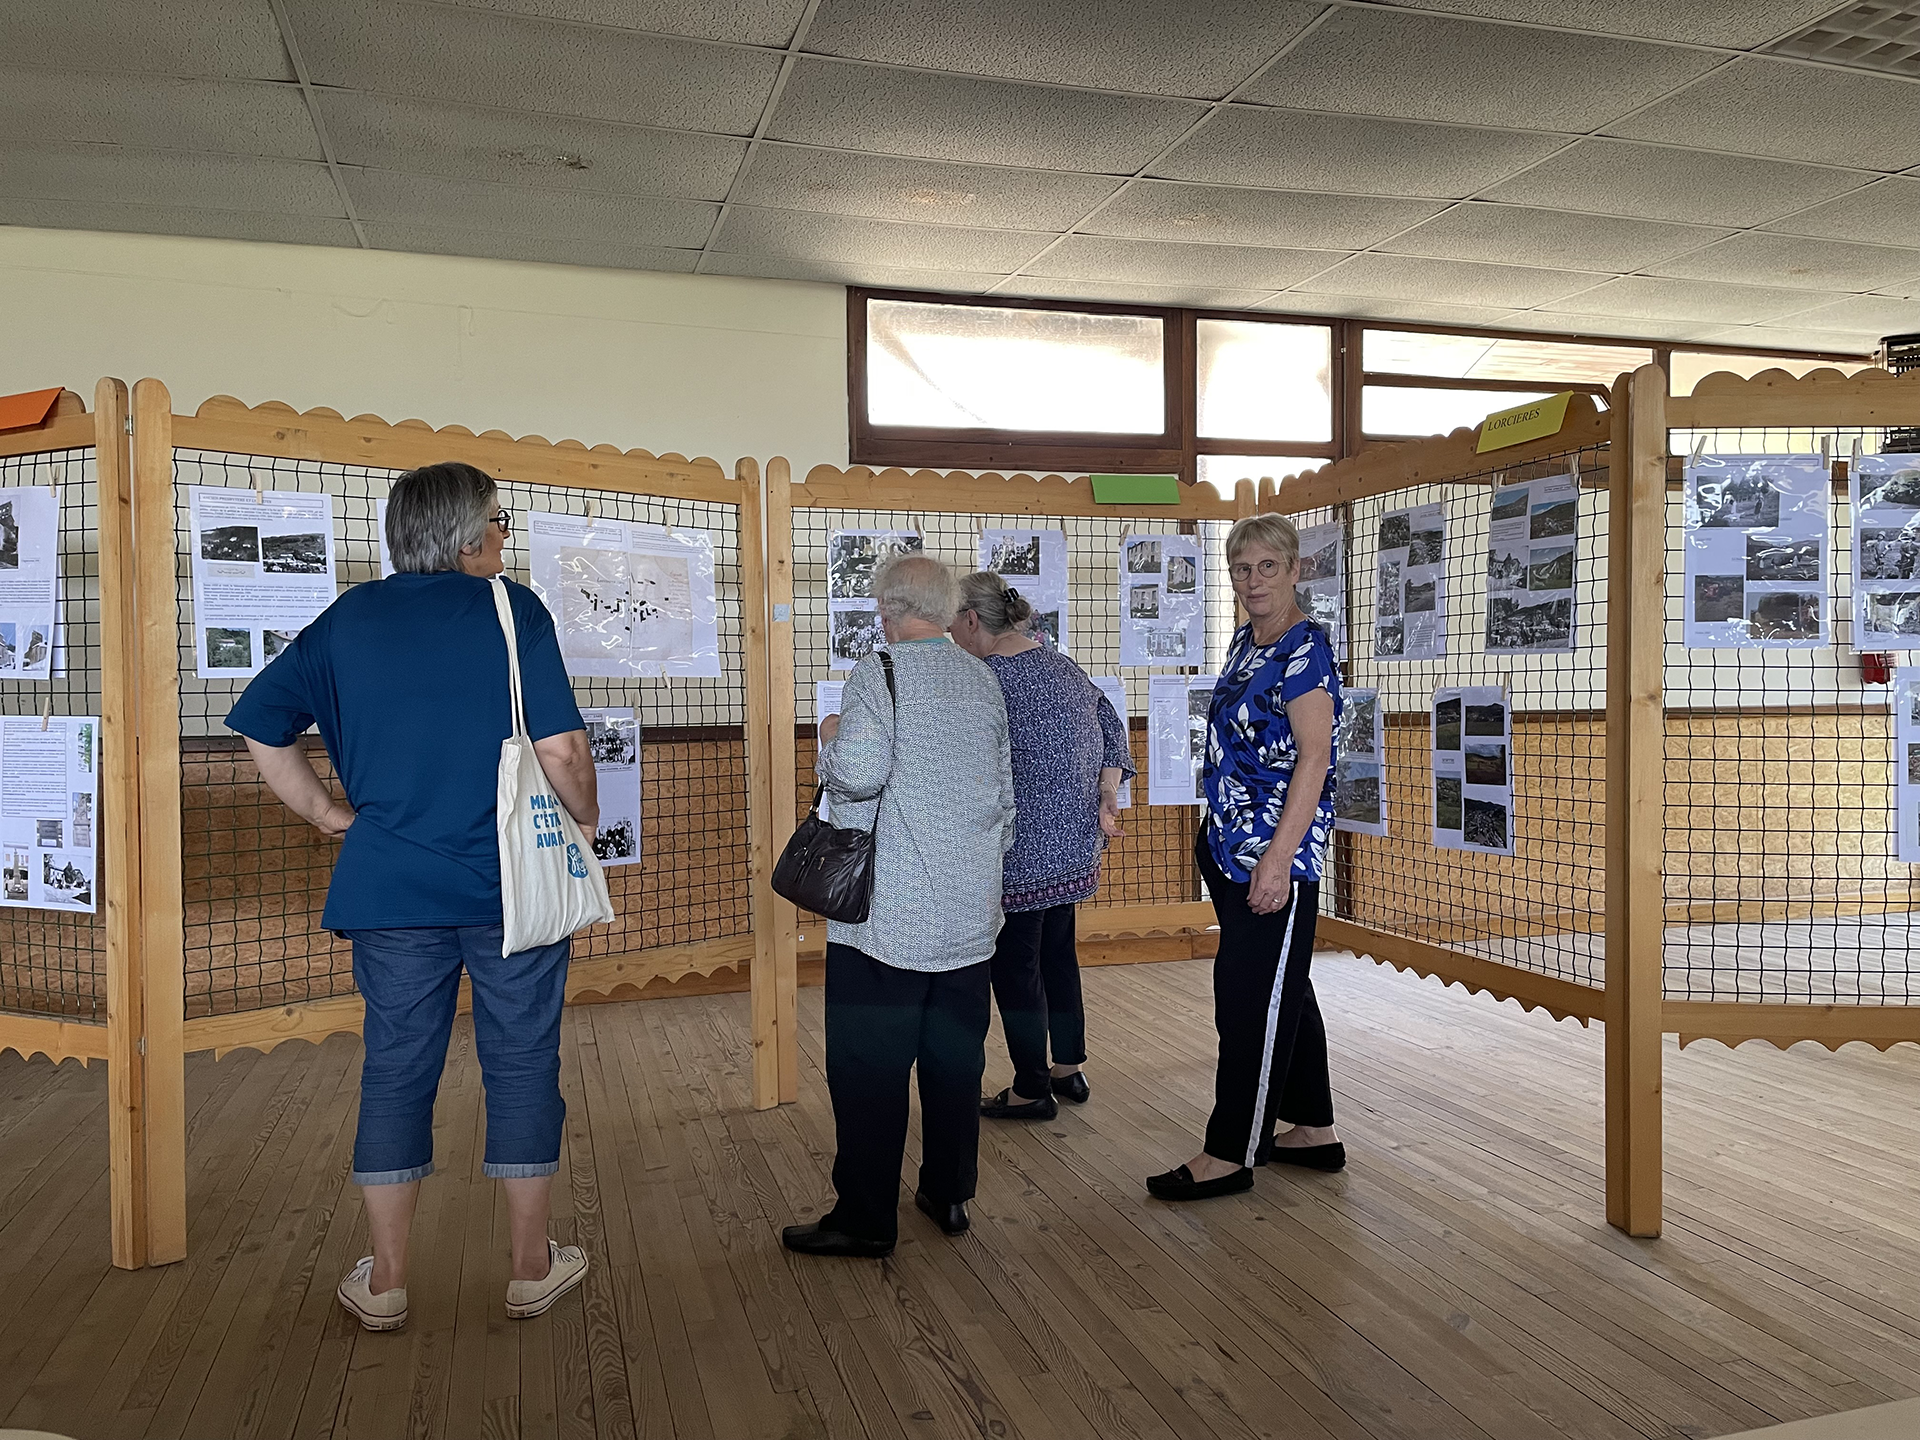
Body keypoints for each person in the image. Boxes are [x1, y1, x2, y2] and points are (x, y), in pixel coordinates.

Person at [226, 461, 599, 1328]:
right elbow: (563, 754)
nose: (506, 537)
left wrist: (327, 812)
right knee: (522, 1061)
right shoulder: (514, 609)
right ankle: (529, 1266)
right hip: (514, 887)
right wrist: (584, 821)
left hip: (389, 887)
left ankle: (387, 1280)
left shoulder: (349, 618)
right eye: (501, 522)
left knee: (396, 1067)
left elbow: (258, 725)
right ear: (472, 536)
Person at [782, 554, 1016, 1258]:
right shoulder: (982, 678)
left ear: (886, 607)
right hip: (971, 916)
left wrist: (827, 740)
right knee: (955, 1061)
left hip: (889, 918)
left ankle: (864, 1218)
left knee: (869, 1068)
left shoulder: (878, 672)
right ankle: (948, 1194)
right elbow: (1004, 799)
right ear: (947, 611)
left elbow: (855, 775)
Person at [1147, 512, 1345, 1203]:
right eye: (1241, 568)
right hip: (1229, 848)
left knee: (1245, 1000)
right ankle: (1314, 1128)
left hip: (1271, 855)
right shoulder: (1248, 640)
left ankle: (1230, 1151)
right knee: (1282, 986)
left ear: (1296, 571)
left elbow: (1314, 759)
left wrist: (1278, 860)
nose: (1253, 580)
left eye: (1268, 566)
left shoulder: (1304, 649)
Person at [950, 571, 1132, 1120]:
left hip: (1018, 852)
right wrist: (1106, 798)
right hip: (1073, 843)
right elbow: (1114, 730)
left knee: (1014, 968)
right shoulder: (1063, 665)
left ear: (973, 620)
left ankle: (1031, 1086)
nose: (950, 632)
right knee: (1058, 956)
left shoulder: (984, 678)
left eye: (953, 620)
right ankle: (1068, 1067)